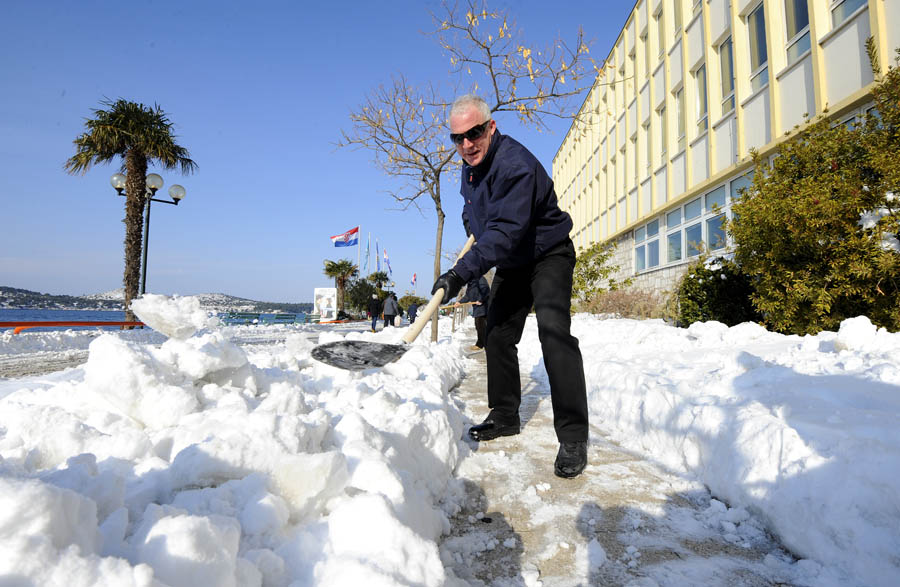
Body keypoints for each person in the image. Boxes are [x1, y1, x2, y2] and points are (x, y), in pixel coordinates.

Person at [431, 94, 589, 479]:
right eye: (458, 138)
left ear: (491, 127)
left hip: (547, 253)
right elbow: (474, 211)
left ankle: (573, 436)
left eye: (474, 133)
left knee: (553, 332)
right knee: (498, 335)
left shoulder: (515, 165)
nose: (467, 144)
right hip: (514, 262)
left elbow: (504, 231)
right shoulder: (470, 169)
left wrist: (458, 274)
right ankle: (504, 415)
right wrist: (472, 228)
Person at [458, 275, 489, 350]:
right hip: (477, 307)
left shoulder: (480, 279)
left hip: (484, 306)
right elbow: (468, 296)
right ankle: (482, 344)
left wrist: (481, 300)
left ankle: (484, 345)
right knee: (478, 326)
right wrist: (460, 302)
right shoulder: (470, 283)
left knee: (481, 326)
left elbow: (486, 290)